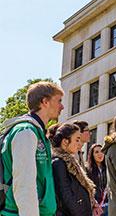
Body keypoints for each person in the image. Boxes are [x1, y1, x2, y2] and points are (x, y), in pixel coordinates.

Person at [1, 81, 63, 216]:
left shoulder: (36, 131)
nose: (62, 106)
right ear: (45, 102)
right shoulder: (26, 131)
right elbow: (24, 184)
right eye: (58, 101)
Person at [51, 123, 100, 216]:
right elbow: (66, 196)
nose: (79, 143)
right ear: (65, 141)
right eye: (77, 140)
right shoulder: (59, 163)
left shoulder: (70, 161)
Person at [87, 144, 108, 215]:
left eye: (102, 151)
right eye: (96, 152)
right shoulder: (88, 170)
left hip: (108, 204)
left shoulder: (108, 169)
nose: (100, 154)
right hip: (95, 206)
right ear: (92, 155)